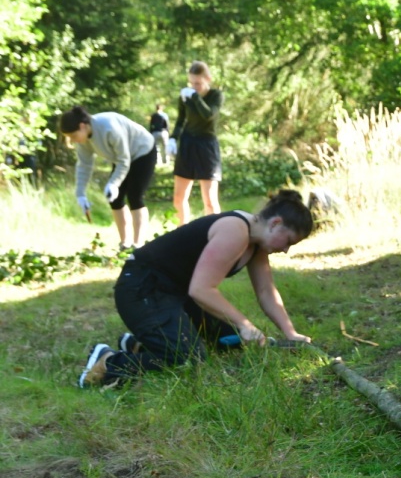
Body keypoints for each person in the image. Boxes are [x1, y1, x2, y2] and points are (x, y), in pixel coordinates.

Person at [77, 189, 319, 389]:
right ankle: (109, 361)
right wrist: (245, 324)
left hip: (172, 294)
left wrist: (291, 333)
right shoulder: (235, 230)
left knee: (229, 342)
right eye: (288, 242)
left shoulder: (257, 245)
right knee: (189, 359)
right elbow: (201, 290)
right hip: (142, 289)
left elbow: (267, 292)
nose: (286, 250)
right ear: (275, 223)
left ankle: (140, 345)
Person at [59, 106, 157, 250]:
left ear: (82, 126)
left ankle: (138, 245)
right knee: (115, 199)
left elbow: (124, 161)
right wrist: (80, 194)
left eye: (73, 136)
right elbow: (84, 166)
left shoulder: (108, 128)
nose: (73, 141)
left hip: (143, 151)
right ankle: (125, 243)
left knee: (135, 196)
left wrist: (113, 183)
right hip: (120, 159)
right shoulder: (83, 140)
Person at [168, 60, 224, 225]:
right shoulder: (185, 96)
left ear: (208, 79)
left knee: (209, 200)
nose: (194, 86)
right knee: (178, 198)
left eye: (198, 83)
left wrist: (195, 97)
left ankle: (214, 234)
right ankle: (182, 234)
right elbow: (180, 120)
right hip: (187, 144)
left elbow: (208, 115)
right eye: (191, 83)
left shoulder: (216, 96)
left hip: (207, 146)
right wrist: (172, 138)